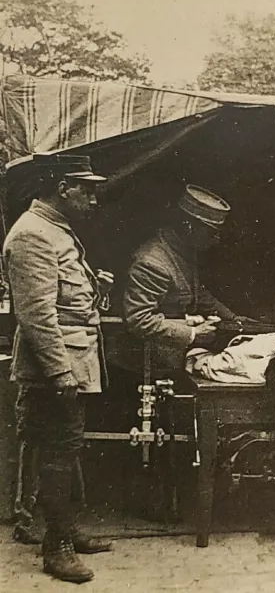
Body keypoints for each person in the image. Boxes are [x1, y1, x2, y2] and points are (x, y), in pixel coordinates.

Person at [4, 153, 114, 583]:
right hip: (54, 369)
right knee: (57, 454)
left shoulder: (54, 230)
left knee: (65, 451)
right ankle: (57, 548)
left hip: (71, 362)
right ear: (60, 188)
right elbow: (36, 317)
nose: (92, 196)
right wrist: (59, 373)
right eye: (84, 188)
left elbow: (70, 305)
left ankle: (65, 529)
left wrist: (97, 291)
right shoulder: (33, 235)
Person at [123, 184, 248, 375]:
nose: (216, 241)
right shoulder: (152, 262)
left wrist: (232, 318)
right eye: (212, 233)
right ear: (189, 227)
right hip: (144, 365)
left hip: (171, 357)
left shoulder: (182, 251)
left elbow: (196, 292)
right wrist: (193, 334)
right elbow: (139, 320)